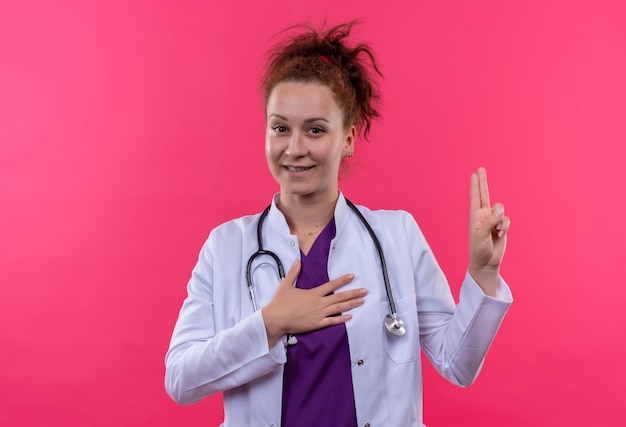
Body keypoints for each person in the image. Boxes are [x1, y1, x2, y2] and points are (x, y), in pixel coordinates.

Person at [165, 21, 512, 427]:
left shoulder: (396, 236)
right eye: (280, 128)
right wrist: (271, 323)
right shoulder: (225, 247)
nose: (295, 148)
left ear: (347, 138)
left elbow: (457, 365)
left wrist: (483, 274)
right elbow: (180, 379)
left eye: (315, 130)